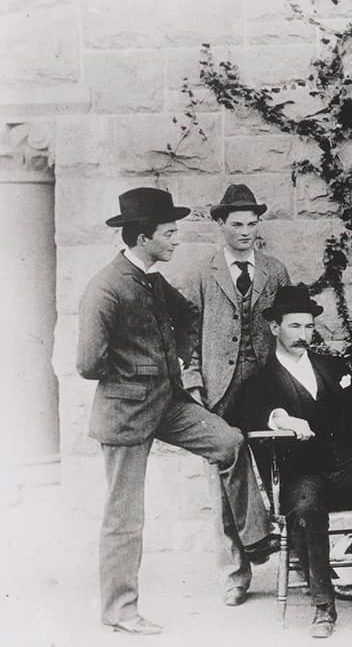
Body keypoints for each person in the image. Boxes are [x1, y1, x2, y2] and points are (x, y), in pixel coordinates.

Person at [76, 187, 273, 636]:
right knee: (125, 518)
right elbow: (88, 364)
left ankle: (256, 539)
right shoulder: (106, 287)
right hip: (125, 416)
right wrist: (140, 371)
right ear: (142, 237)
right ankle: (120, 610)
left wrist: (181, 361)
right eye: (169, 233)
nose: (176, 239)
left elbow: (187, 317)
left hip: (168, 404)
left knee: (228, 440)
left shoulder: (153, 279)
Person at [231, 285, 352, 638]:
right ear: (275, 328)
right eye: (294, 326)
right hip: (302, 475)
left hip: (347, 468)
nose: (303, 334)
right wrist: (281, 419)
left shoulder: (334, 367)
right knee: (307, 508)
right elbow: (247, 414)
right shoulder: (262, 380)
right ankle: (323, 608)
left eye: (309, 326)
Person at [180, 183, 290, 606]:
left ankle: (303, 561)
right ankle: (235, 574)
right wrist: (194, 385)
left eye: (252, 224)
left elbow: (289, 325)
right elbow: (187, 336)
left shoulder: (274, 271)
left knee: (287, 470)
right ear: (221, 225)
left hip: (267, 386)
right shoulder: (201, 273)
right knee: (223, 483)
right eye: (238, 225)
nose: (246, 232)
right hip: (219, 390)